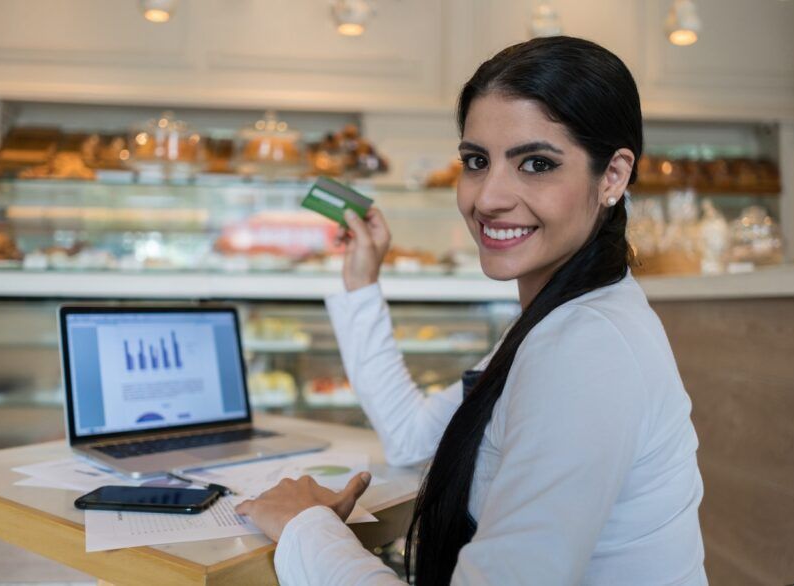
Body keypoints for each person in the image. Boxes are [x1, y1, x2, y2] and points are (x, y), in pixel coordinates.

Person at [236, 36, 707, 585]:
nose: (487, 198)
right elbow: (414, 437)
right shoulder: (563, 317)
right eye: (476, 161)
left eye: (536, 163)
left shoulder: (585, 350)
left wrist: (306, 529)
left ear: (613, 176)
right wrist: (362, 280)